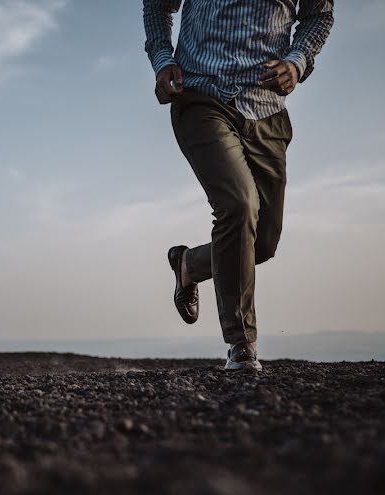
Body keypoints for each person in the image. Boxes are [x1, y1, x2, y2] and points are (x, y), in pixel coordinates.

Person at [143, 0, 334, 371]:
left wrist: (296, 62)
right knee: (239, 205)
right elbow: (157, 6)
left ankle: (189, 264)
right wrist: (162, 58)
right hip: (200, 96)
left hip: (267, 110)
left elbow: (319, 15)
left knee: (261, 242)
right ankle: (242, 343)